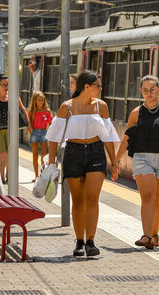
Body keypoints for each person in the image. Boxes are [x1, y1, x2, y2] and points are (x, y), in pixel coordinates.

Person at [46, 71, 119, 257]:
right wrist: (52, 163)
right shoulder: (67, 107)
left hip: (96, 153)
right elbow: (53, 138)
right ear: (87, 86)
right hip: (73, 153)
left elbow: (108, 136)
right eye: (98, 85)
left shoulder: (101, 107)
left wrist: (114, 162)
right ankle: (79, 241)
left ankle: (91, 241)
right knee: (78, 200)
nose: (101, 89)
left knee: (92, 199)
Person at [115, 75, 159, 249]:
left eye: (152, 89)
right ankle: (146, 235)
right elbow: (128, 138)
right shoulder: (137, 113)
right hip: (142, 158)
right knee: (148, 196)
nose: (149, 93)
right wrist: (116, 160)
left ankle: (155, 235)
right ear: (141, 91)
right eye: (145, 90)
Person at [0, 73, 29, 183]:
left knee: (10, 154)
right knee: (2, 154)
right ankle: (1, 177)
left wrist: (29, 124)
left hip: (11, 130)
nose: (6, 87)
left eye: (8, 84)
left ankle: (9, 176)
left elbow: (23, 110)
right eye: (4, 85)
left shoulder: (14, 97)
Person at [27, 91, 53, 181]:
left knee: (43, 155)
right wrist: (29, 127)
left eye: (42, 100)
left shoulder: (47, 111)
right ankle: (36, 176)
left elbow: (51, 122)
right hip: (34, 133)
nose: (41, 102)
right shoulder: (31, 111)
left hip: (43, 133)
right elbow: (28, 121)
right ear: (35, 101)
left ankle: (42, 175)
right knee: (35, 155)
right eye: (39, 100)